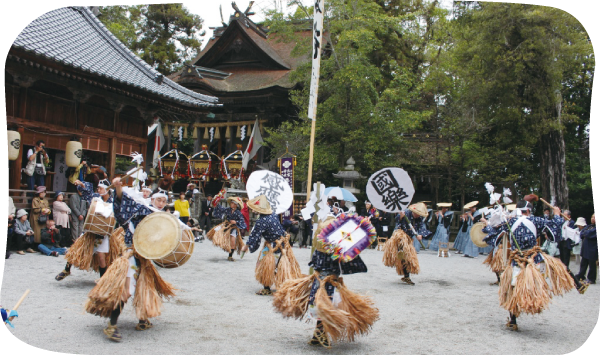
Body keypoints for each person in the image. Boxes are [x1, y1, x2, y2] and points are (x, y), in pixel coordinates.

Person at [85, 178, 178, 342]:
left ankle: (143, 320)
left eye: (164, 201)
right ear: (152, 199)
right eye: (158, 200)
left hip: (143, 257)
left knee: (146, 287)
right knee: (127, 291)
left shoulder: (164, 217)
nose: (161, 203)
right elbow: (121, 201)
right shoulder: (141, 209)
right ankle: (111, 325)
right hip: (131, 256)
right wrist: (119, 186)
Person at [273, 216, 378, 349]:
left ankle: (318, 334)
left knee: (322, 308)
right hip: (328, 284)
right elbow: (350, 263)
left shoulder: (321, 249)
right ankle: (320, 334)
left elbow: (313, 263)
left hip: (319, 281)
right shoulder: (336, 252)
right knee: (326, 307)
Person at [481, 198, 577, 331]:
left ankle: (513, 319)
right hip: (533, 261)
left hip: (516, 261)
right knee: (552, 271)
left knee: (512, 288)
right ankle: (576, 283)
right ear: (528, 211)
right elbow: (555, 233)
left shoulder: (510, 222)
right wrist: (556, 215)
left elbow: (494, 236)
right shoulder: (536, 220)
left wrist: (487, 225)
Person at [55, 179, 120, 282]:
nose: (98, 190)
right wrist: (81, 184)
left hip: (103, 232)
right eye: (98, 188)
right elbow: (87, 192)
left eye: (100, 188)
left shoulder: (112, 202)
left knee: (101, 256)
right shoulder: (96, 198)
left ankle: (102, 279)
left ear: (107, 189)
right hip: (90, 230)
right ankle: (67, 269)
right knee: (76, 248)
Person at [241, 195, 299, 295]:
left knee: (263, 265)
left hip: (274, 246)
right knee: (278, 266)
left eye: (254, 209)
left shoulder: (261, 221)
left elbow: (254, 236)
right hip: (283, 244)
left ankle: (267, 288)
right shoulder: (273, 215)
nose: (252, 210)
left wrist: (245, 247)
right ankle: (281, 285)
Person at [391, 203, 430, 285]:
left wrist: (420, 235)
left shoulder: (419, 218)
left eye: (420, 214)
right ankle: (400, 251)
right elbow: (397, 219)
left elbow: (422, 226)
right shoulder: (406, 213)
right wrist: (401, 217)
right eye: (417, 214)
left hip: (409, 237)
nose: (418, 215)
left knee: (408, 258)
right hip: (400, 236)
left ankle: (406, 275)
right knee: (405, 253)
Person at [212, 196, 247, 261]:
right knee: (215, 231)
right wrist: (216, 202)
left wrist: (236, 221)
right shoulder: (228, 209)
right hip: (226, 226)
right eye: (231, 203)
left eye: (233, 203)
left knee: (233, 242)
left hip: (233, 228)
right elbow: (221, 209)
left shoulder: (238, 213)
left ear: (236, 205)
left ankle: (230, 256)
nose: (231, 204)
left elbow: (242, 221)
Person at [576, 214, 597, 285]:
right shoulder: (589, 226)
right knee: (583, 263)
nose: (593, 219)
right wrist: (586, 233)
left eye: (594, 218)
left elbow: (589, 234)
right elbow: (582, 233)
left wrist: (586, 233)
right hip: (585, 248)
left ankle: (592, 278)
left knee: (592, 264)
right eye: (592, 217)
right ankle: (581, 275)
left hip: (593, 248)